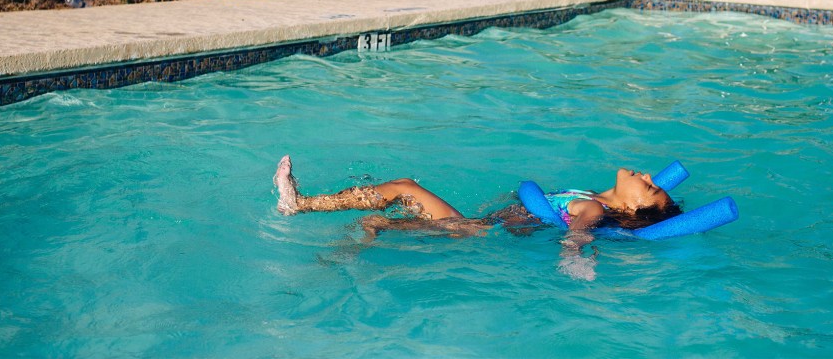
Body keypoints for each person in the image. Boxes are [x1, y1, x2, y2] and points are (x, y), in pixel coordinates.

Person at [272, 155, 683, 280]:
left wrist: (575, 252)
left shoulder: (595, 207)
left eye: (649, 187)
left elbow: (582, 227)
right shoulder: (595, 195)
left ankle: (300, 205)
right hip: (481, 228)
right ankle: (344, 253)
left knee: (403, 187)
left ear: (630, 209)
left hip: (476, 233)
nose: (646, 176)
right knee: (379, 219)